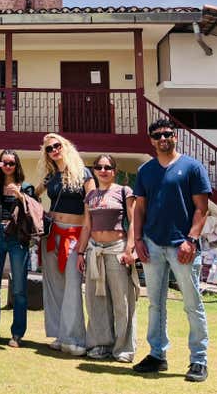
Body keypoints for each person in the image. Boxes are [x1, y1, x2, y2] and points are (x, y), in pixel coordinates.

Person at [132, 119, 211, 382]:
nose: (163, 138)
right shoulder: (145, 171)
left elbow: (202, 208)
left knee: (192, 304)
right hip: (152, 244)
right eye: (157, 135)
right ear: (151, 140)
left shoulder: (192, 167)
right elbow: (139, 208)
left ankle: (198, 359)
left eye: (167, 134)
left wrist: (192, 239)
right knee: (155, 304)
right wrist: (138, 240)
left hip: (182, 246)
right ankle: (157, 354)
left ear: (175, 136)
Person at [35, 133, 95, 355]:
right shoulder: (51, 176)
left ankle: (76, 338)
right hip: (52, 234)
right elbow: (34, 193)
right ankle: (61, 334)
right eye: (49, 149)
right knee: (54, 286)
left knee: (72, 286)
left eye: (57, 146)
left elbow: (92, 208)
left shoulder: (84, 174)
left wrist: (86, 240)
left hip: (75, 234)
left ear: (66, 146)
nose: (54, 151)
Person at [76, 154, 138, 362]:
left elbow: (133, 221)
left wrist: (130, 250)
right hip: (95, 251)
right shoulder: (90, 196)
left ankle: (123, 348)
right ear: (94, 170)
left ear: (114, 170)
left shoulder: (124, 191)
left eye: (107, 167)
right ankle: (100, 345)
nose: (103, 170)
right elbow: (87, 226)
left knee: (122, 300)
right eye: (99, 167)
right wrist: (81, 252)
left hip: (116, 251)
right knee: (96, 300)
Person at [0, 149, 37, 348]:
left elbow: (33, 209)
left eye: (11, 163)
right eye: (4, 163)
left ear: (17, 165)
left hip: (17, 239)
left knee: (19, 289)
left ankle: (17, 334)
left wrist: (20, 195)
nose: (8, 166)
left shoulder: (26, 187)